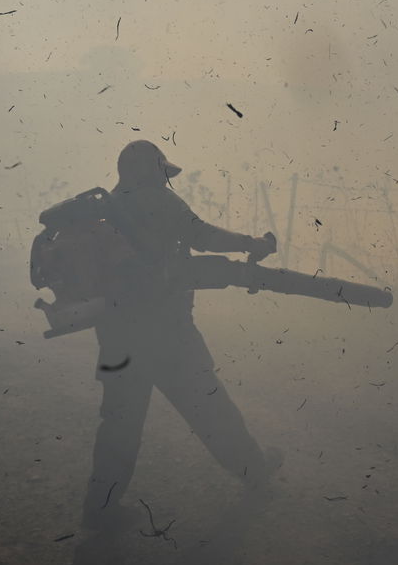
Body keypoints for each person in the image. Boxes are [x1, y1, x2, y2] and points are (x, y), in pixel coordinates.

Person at [81, 140, 280, 529]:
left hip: (117, 337)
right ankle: (255, 472)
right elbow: (204, 237)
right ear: (152, 172)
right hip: (168, 334)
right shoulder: (161, 202)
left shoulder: (103, 214)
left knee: (120, 424)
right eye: (162, 173)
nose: (165, 181)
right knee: (210, 407)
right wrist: (252, 244)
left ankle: (100, 507)